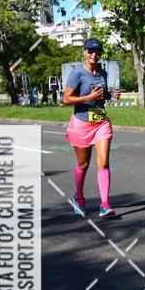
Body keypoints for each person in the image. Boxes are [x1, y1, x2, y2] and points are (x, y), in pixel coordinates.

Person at [63, 39, 120, 217]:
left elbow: (101, 96)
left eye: (97, 51)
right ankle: (78, 196)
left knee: (103, 162)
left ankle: (105, 204)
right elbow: (66, 99)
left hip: (101, 122)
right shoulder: (77, 74)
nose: (94, 54)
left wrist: (111, 95)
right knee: (84, 163)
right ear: (84, 52)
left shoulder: (102, 73)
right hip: (81, 123)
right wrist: (88, 96)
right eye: (90, 51)